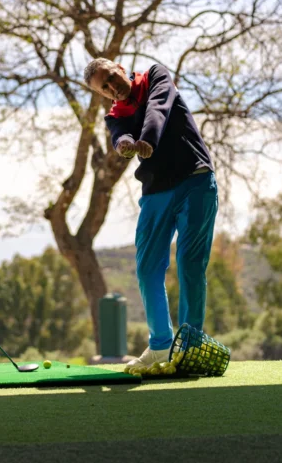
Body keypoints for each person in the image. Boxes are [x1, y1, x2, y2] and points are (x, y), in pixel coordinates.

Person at [84, 58, 218, 373]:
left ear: (119, 67)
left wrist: (147, 140)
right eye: (104, 87)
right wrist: (127, 143)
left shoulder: (155, 76)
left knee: (190, 266)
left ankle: (189, 347)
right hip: (156, 193)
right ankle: (160, 346)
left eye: (112, 78)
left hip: (195, 181)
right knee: (147, 270)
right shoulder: (114, 115)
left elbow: (158, 108)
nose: (112, 87)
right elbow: (119, 136)